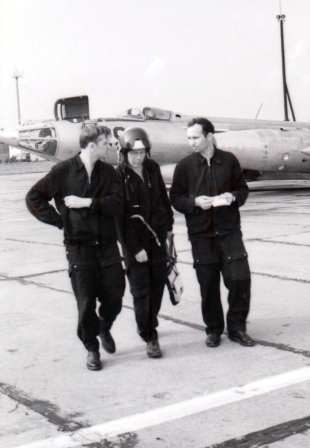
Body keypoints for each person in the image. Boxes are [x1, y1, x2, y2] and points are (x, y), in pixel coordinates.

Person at [26, 125, 125, 371]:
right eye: (106, 143)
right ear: (92, 145)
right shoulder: (62, 171)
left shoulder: (109, 172)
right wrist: (61, 221)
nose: (110, 146)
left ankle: (104, 325)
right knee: (86, 301)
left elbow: (118, 203)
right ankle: (91, 348)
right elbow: (34, 197)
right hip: (79, 247)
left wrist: (88, 202)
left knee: (115, 294)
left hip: (107, 246)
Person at [170, 117, 255, 348]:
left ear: (209, 136)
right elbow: (175, 198)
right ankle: (214, 330)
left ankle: (237, 328)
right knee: (208, 286)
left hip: (229, 232)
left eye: (196, 137)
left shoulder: (229, 161)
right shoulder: (185, 166)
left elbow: (242, 189)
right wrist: (195, 202)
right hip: (201, 235)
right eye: (189, 138)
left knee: (240, 279)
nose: (192, 143)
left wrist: (232, 197)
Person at [116, 127, 174, 358]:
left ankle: (149, 322)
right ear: (124, 153)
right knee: (142, 292)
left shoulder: (153, 169)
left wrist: (169, 228)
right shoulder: (117, 176)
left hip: (158, 238)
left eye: (142, 153)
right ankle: (150, 335)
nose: (139, 158)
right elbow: (118, 220)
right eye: (134, 154)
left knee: (158, 288)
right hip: (135, 243)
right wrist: (134, 248)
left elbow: (162, 197)